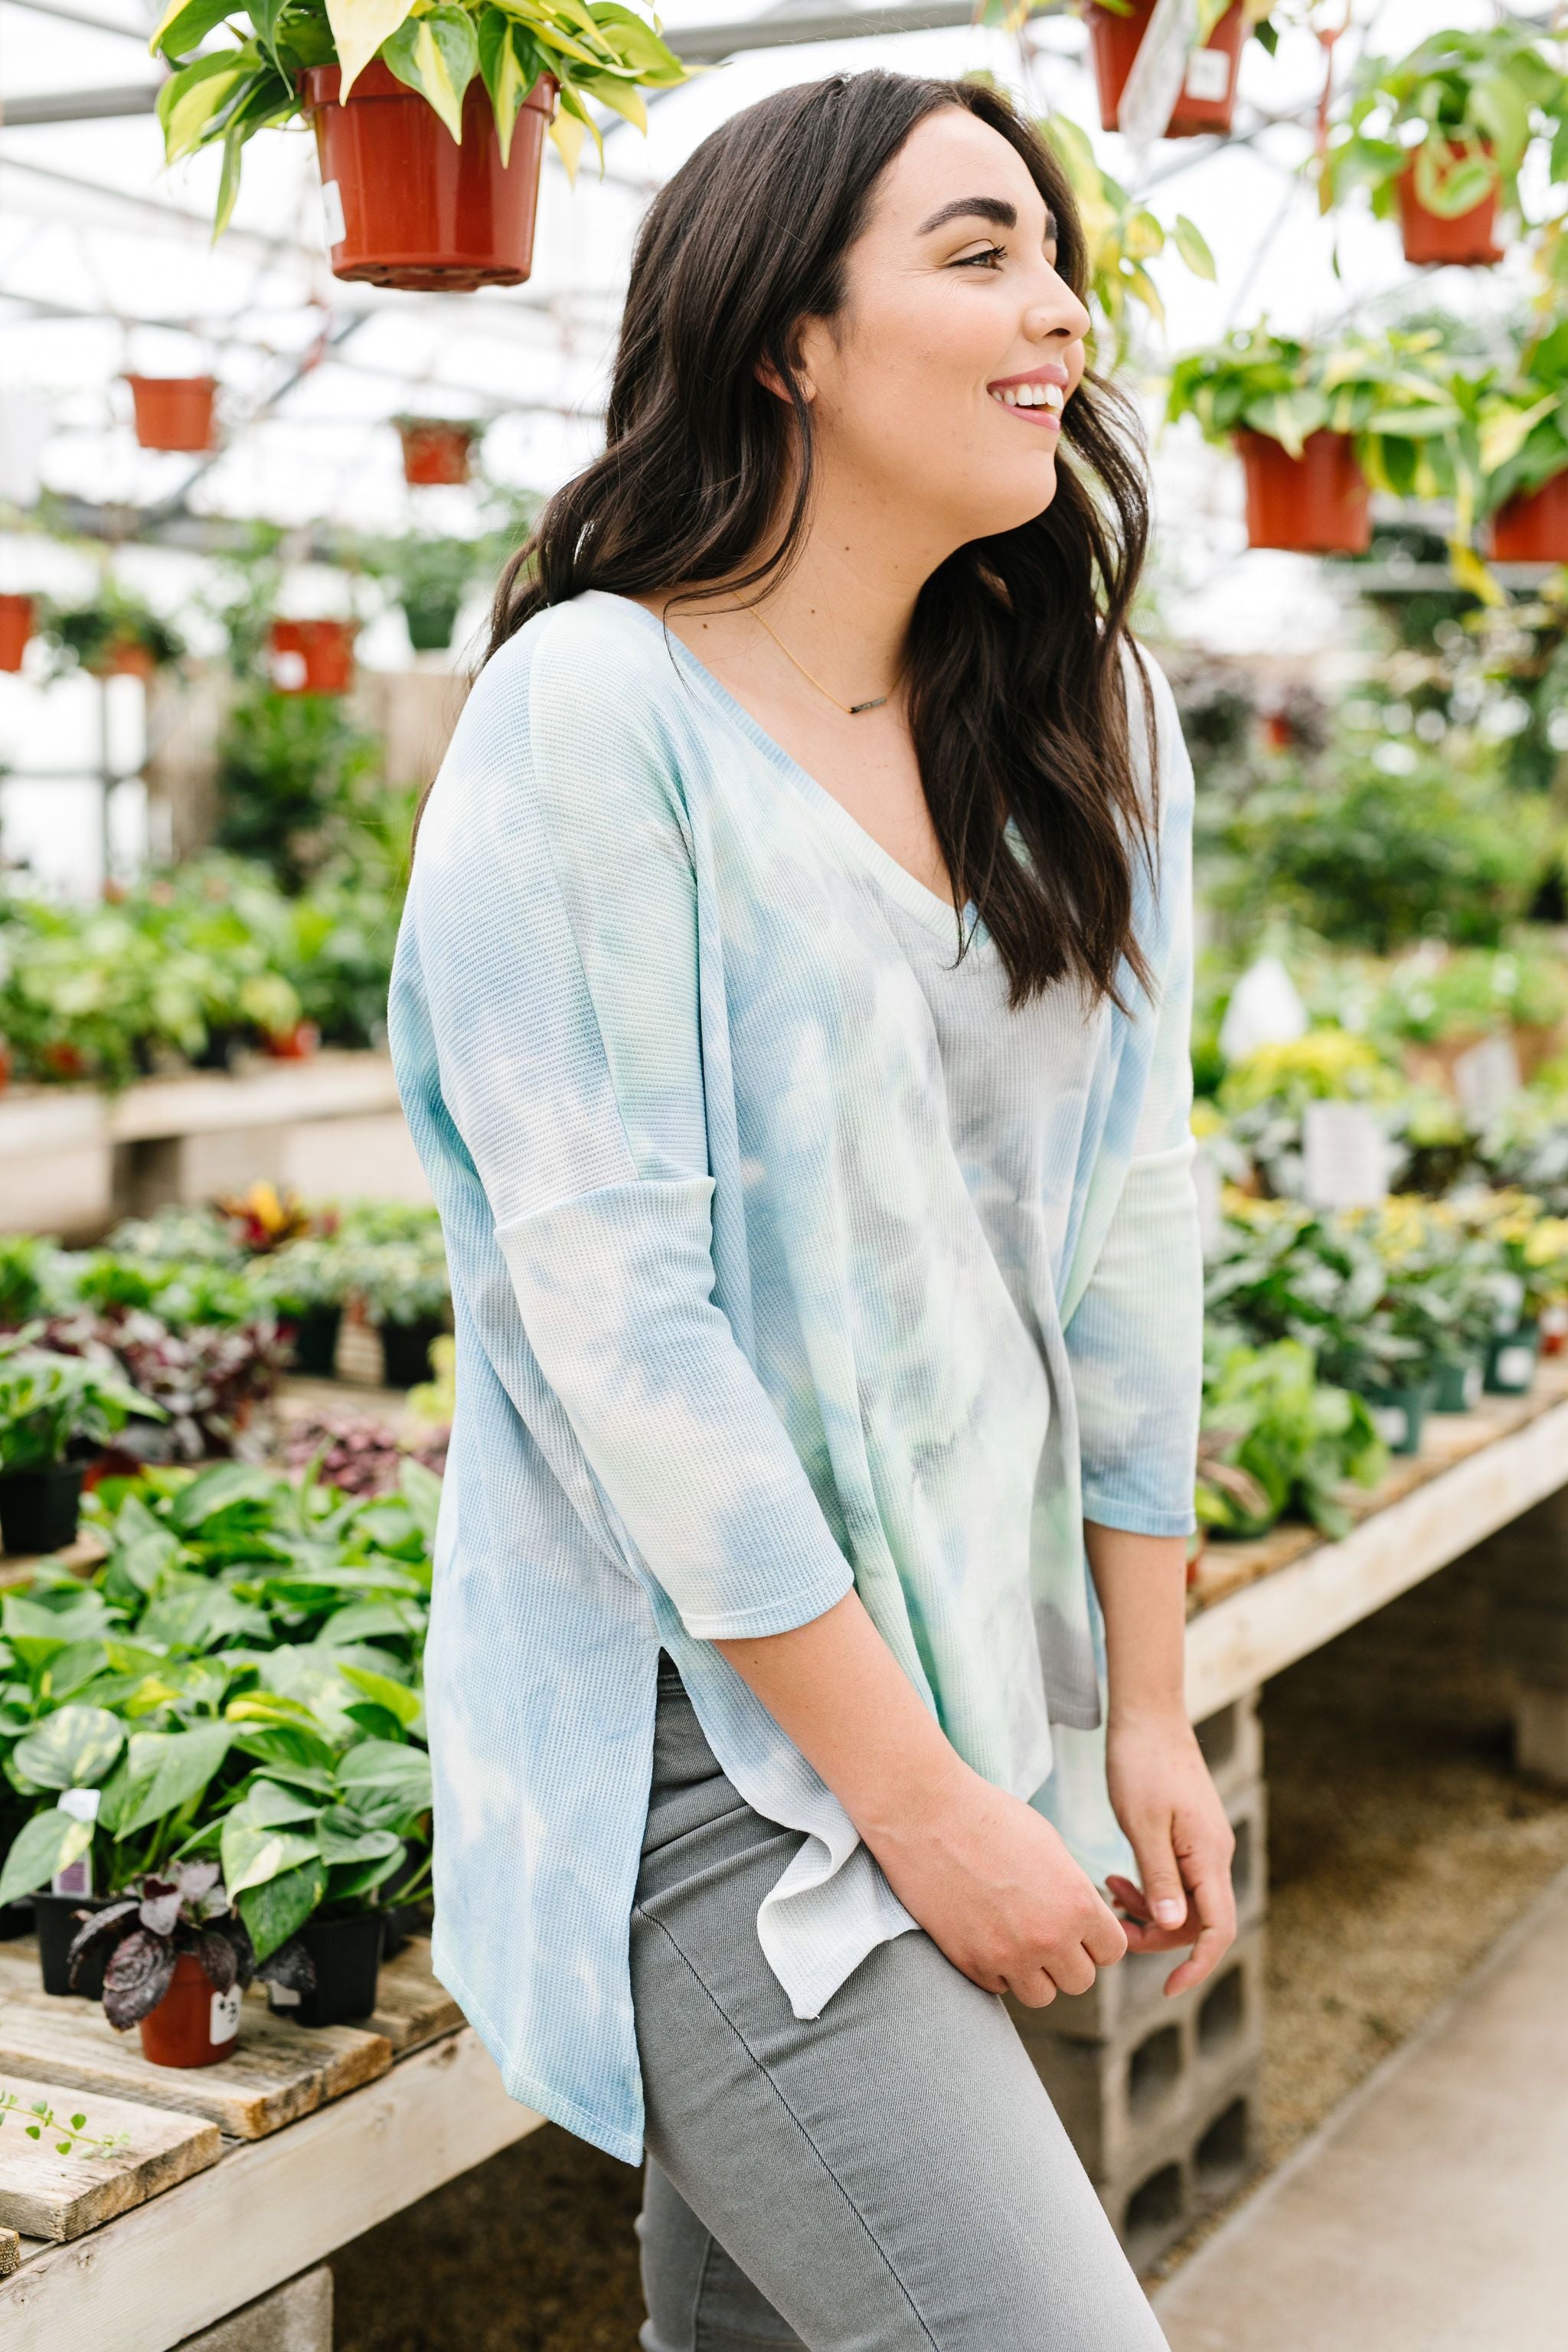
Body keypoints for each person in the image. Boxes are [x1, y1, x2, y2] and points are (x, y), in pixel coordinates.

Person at [389, 67, 1236, 2352]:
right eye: (979, 253)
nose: (1056, 308)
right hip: (715, 1746)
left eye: (1055, 256)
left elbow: (1136, 1226)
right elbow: (621, 1328)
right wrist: (926, 1812)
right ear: (787, 336)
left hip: (960, 1697)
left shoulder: (1087, 720)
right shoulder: (599, 712)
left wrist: (1143, 1710)